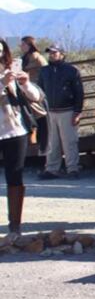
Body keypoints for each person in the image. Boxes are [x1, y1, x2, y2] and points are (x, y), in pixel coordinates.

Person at [0, 39, 45, 235]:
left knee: (15, 174)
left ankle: (15, 225)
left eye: (1, 52)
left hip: (15, 130)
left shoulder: (9, 70)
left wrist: (25, 83)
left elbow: (36, 97)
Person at [38, 45, 84, 180]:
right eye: (50, 53)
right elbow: (40, 91)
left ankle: (73, 169)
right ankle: (52, 169)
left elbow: (79, 92)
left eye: (54, 52)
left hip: (67, 110)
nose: (51, 55)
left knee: (69, 141)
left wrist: (77, 111)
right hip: (50, 111)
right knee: (52, 142)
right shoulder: (44, 71)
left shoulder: (71, 71)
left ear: (62, 54)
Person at [19, 36, 48, 155]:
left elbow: (46, 72)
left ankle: (43, 147)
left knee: (41, 120)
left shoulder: (37, 58)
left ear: (29, 45)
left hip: (37, 93)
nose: (20, 46)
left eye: (23, 44)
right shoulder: (24, 58)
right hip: (26, 92)